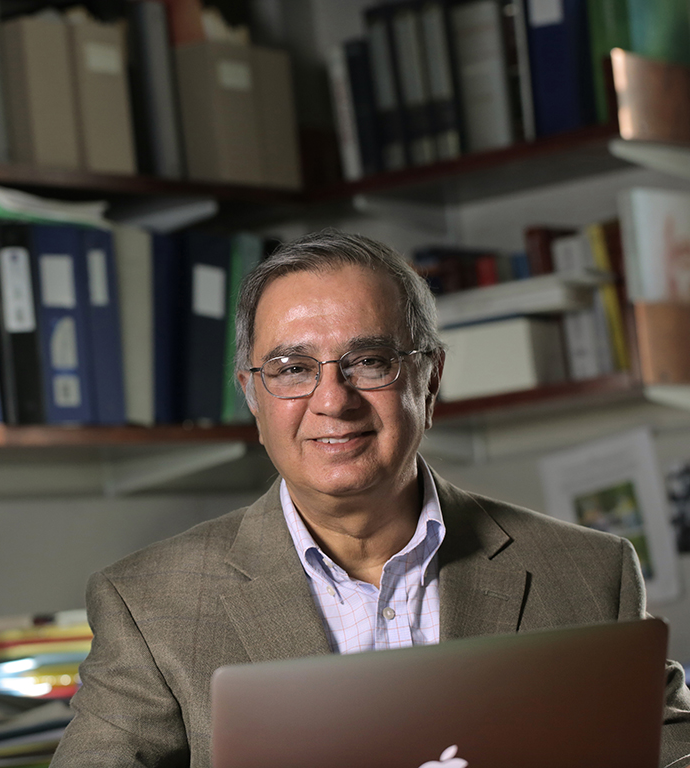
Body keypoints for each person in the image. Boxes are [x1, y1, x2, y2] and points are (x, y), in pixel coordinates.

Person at [49, 230, 690, 768]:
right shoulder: (147, 602)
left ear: (428, 378)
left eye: (369, 361)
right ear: (252, 393)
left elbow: (670, 747)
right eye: (294, 368)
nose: (333, 400)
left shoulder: (588, 570)